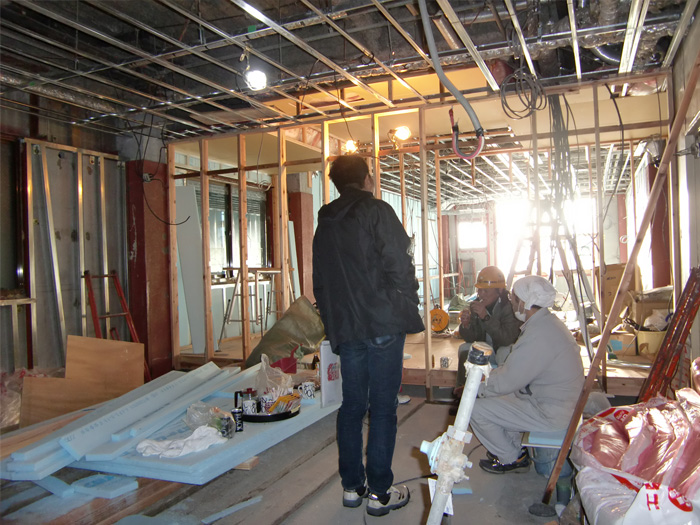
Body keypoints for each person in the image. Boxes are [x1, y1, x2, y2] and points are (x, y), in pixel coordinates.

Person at [312, 154, 424, 517]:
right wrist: (407, 301)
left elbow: (320, 283)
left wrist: (334, 325)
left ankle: (352, 488)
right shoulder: (377, 210)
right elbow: (399, 263)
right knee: (383, 408)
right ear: (365, 179)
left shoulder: (324, 224)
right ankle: (379, 492)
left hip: (348, 328)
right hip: (382, 324)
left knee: (352, 406)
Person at [468, 275, 584, 474]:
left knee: (474, 409)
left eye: (514, 298)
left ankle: (511, 458)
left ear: (525, 302)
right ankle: (514, 448)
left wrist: (473, 389)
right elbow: (515, 371)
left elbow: (508, 380)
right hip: (554, 401)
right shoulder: (546, 323)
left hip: (551, 412)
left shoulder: (539, 334)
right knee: (500, 395)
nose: (512, 303)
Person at [454, 266, 521, 394]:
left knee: (504, 353)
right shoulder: (476, 305)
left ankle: (505, 390)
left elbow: (506, 339)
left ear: (499, 290)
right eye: (479, 290)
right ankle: (464, 391)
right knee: (465, 349)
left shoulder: (509, 307)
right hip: (488, 349)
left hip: (503, 348)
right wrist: (466, 325)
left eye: (486, 291)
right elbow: (473, 338)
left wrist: (485, 317)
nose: (481, 294)